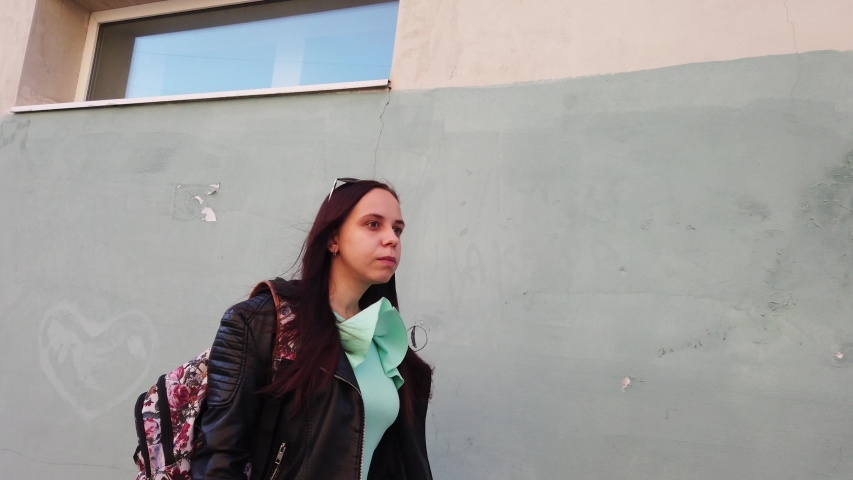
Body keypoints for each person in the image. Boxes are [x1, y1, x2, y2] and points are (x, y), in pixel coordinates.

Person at [191, 179, 434, 480]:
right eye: (373, 224)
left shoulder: (386, 343)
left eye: (397, 229)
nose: (392, 239)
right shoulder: (261, 323)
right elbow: (219, 459)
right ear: (333, 239)